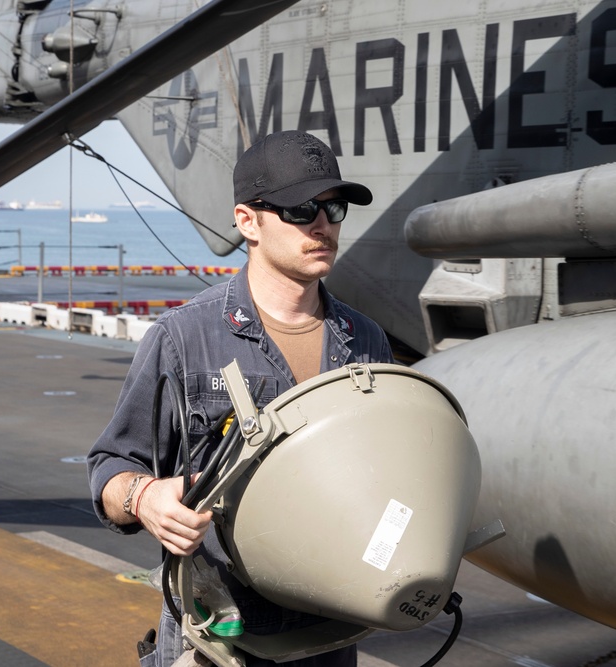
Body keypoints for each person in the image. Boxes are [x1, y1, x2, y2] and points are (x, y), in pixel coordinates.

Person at [87, 130, 394, 667]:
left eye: (333, 207)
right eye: (301, 209)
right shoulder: (183, 339)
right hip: (219, 638)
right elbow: (111, 467)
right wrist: (144, 497)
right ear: (248, 221)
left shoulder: (366, 340)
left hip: (330, 638)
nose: (323, 224)